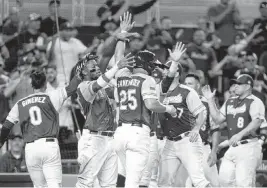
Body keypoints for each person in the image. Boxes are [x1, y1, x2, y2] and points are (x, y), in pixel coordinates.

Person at [75, 12, 136, 188]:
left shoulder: (107, 85)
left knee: (109, 185)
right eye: (92, 69)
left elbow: (117, 58)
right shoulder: (84, 87)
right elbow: (112, 68)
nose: (97, 69)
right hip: (93, 139)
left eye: (97, 68)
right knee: (86, 183)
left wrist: (122, 34)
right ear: (84, 73)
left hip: (111, 139)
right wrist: (117, 66)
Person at [0, 56, 82, 187]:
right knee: (54, 184)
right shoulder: (52, 96)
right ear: (45, 84)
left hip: (30, 148)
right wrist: (80, 74)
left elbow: (6, 127)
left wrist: (0, 142)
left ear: (31, 85)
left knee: (39, 187)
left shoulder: (20, 103)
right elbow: (71, 88)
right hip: (49, 145)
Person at [113, 42, 183, 187]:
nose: (154, 67)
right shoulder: (148, 80)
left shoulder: (121, 76)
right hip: (139, 133)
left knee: (122, 174)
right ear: (147, 65)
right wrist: (169, 109)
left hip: (120, 132)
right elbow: (152, 103)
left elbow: (118, 60)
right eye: (152, 64)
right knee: (136, 179)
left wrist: (121, 37)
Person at [157, 48, 211, 187]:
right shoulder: (160, 91)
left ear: (176, 73)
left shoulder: (187, 91)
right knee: (163, 182)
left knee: (198, 180)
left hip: (187, 140)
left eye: (167, 69)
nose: (164, 71)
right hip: (169, 142)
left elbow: (201, 113)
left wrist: (196, 129)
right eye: (164, 69)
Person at [202, 74, 265, 187]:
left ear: (247, 86)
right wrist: (210, 100)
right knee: (224, 181)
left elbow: (257, 122)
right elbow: (217, 119)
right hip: (233, 147)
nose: (235, 86)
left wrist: (240, 134)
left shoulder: (255, 101)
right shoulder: (230, 101)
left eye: (239, 84)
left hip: (248, 146)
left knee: (243, 184)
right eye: (235, 84)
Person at [183, 73, 220, 187]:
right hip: (183, 147)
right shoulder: (179, 100)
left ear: (198, 85)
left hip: (202, 147)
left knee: (214, 184)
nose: (187, 86)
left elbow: (215, 128)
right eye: (185, 83)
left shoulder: (206, 102)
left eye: (190, 83)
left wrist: (214, 151)